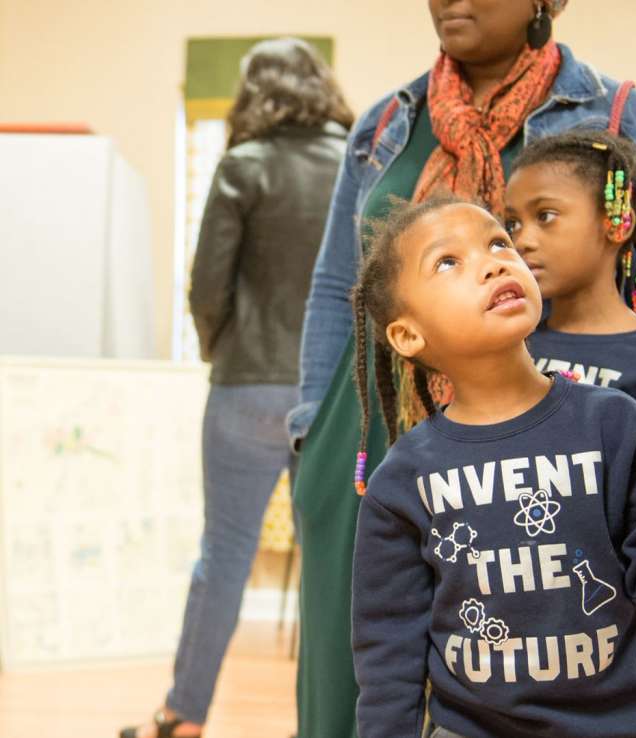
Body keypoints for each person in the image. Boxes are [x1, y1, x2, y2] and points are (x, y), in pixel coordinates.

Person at [288, 3, 636, 735]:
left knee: (545, 651)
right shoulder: (385, 124)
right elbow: (333, 287)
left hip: (552, 435)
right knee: (355, 675)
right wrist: (309, 434)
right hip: (369, 437)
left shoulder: (618, 114)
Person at [350, 198, 636, 738]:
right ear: (407, 335)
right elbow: (388, 648)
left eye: (498, 243)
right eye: (449, 262)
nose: (494, 262)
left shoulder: (617, 425)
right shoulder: (403, 478)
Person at [119, 37, 352, 738]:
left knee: (222, 555)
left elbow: (206, 286)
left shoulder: (241, 165)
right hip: (334, 397)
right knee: (332, 565)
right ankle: (325, 720)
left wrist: (225, 350)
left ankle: (183, 716)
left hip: (246, 388)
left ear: (255, 92)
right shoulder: (358, 164)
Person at [503, 129, 636, 660]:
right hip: (498, 640)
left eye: (545, 216)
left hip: (608, 653)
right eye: (512, 222)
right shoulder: (506, 346)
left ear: (617, 221)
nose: (522, 239)